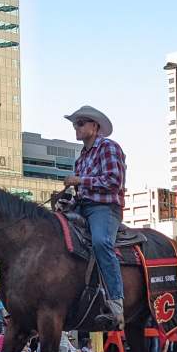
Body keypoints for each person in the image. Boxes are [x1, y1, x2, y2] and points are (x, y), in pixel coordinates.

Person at [63, 105, 127, 331]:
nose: (76, 127)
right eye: (74, 124)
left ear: (94, 126)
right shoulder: (81, 158)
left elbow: (113, 181)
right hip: (82, 206)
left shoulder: (109, 148)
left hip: (105, 207)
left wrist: (80, 181)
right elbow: (81, 191)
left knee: (101, 242)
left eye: (80, 123)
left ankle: (116, 301)